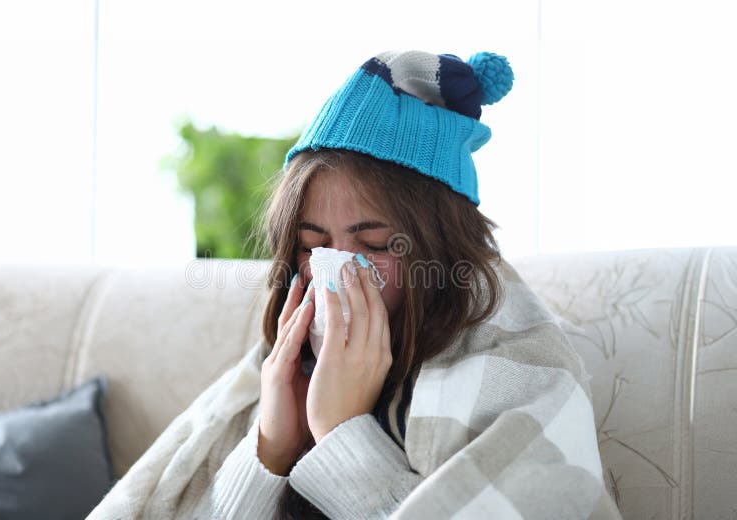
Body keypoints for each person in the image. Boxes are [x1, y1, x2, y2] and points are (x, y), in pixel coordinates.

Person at [87, 50, 622, 519]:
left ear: (441, 245)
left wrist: (341, 431)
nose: (337, 273)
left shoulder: (520, 367)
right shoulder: (280, 365)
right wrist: (273, 448)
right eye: (312, 244)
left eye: (374, 244)